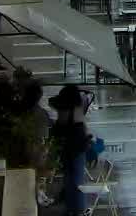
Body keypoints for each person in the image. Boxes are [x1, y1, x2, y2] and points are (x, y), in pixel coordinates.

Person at [48, 84, 94, 215]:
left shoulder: (65, 108)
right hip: (78, 145)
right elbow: (83, 127)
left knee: (71, 178)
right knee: (76, 179)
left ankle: (73, 208)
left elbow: (60, 125)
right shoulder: (78, 108)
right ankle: (77, 209)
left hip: (68, 146)